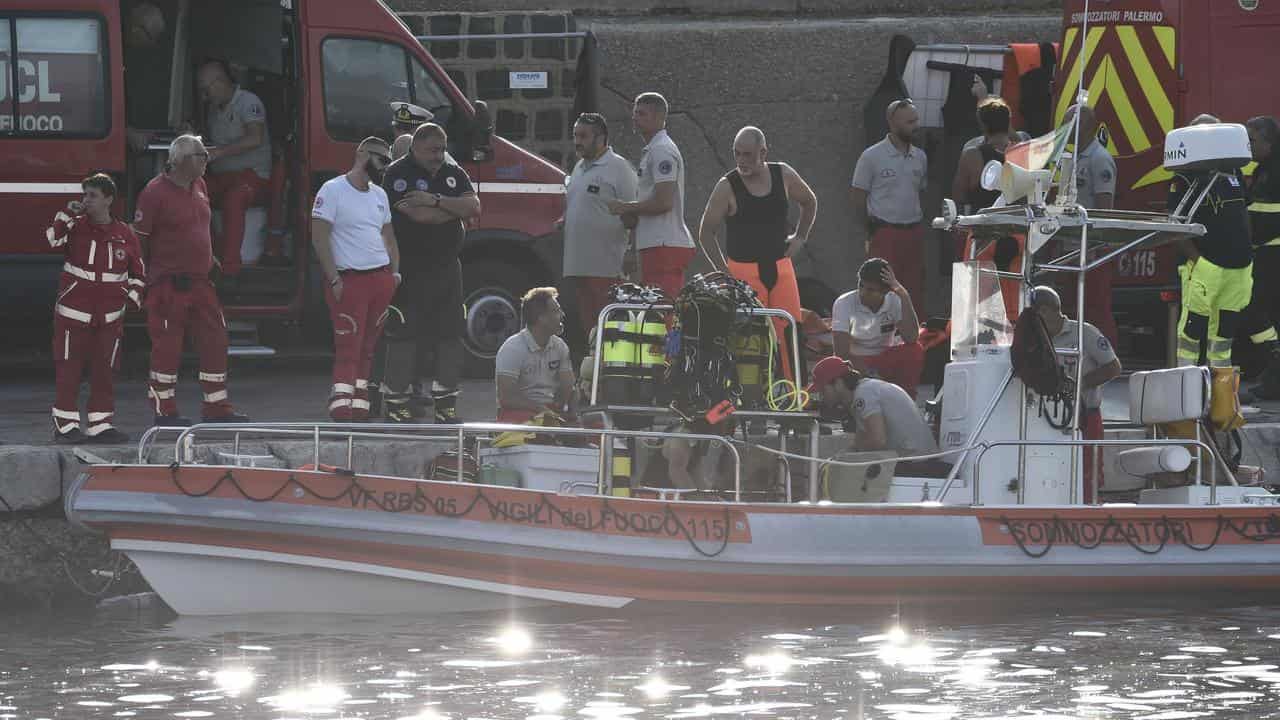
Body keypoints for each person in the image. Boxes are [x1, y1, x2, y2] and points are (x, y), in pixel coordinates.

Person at [134, 135, 248, 425]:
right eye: (202, 155)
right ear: (182, 160)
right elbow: (140, 240)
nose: (208, 159)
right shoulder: (154, 192)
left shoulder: (199, 185)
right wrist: (145, 279)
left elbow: (200, 227)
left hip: (200, 282)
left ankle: (216, 406)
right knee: (167, 347)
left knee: (215, 340)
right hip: (168, 285)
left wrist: (210, 257)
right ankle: (165, 409)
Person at [696, 125, 817, 381]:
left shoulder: (783, 174)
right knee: (749, 338)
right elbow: (706, 232)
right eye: (737, 153)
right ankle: (751, 399)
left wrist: (801, 237)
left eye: (748, 154)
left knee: (790, 333)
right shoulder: (727, 186)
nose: (741, 161)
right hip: (743, 271)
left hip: (780, 267)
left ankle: (795, 398)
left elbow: (809, 201)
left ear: (763, 152)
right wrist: (724, 272)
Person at [378, 123, 480, 423]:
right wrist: (454, 210)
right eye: (432, 150)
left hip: (448, 268)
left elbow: (474, 206)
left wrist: (436, 201)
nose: (439, 156)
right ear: (416, 147)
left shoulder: (452, 171)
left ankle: (446, 406)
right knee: (405, 335)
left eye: (442, 149)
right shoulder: (398, 173)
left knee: (450, 336)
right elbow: (416, 215)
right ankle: (397, 404)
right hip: (411, 269)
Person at [46, 174, 146, 443]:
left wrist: (130, 299)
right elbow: (52, 239)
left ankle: (100, 425)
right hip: (73, 312)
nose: (85, 200)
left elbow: (138, 273)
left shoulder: (125, 233)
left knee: (105, 370)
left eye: (92, 195)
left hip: (110, 316)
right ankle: (65, 426)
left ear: (109, 200)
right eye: (84, 195)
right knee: (69, 368)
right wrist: (67, 213)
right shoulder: (74, 226)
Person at [311, 137, 401, 421]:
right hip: (350, 280)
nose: (385, 166)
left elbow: (388, 236)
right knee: (348, 345)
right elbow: (319, 236)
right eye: (381, 159)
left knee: (368, 347)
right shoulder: (333, 190)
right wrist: (334, 279)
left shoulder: (380, 195)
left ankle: (360, 403)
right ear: (361, 154)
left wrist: (395, 274)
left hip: (380, 280)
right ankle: (341, 403)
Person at [1170, 114, 1255, 372]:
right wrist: (1198, 261)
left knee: (1224, 337)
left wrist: (1248, 250)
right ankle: (1187, 390)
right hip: (1205, 266)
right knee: (1192, 332)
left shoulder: (1233, 171)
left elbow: (1243, 212)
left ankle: (1220, 398)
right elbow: (1175, 227)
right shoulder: (1184, 177)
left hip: (1237, 267)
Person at [1030, 286, 1121, 503]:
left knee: (1087, 477)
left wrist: (1077, 385)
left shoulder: (1085, 333)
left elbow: (1114, 367)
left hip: (1085, 417)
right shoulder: (1034, 338)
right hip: (1046, 420)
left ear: (1044, 311)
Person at [197, 59, 286, 276]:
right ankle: (209, 258)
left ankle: (230, 269)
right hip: (223, 176)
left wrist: (220, 152)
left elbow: (255, 138)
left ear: (219, 83)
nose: (205, 96)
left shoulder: (248, 102)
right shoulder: (213, 109)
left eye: (206, 90)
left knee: (234, 198)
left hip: (253, 177)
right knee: (194, 193)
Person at [607, 92, 696, 299]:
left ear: (658, 118)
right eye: (635, 113)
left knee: (663, 309)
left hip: (664, 244)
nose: (635, 118)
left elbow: (664, 202)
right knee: (655, 307)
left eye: (642, 114)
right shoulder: (653, 150)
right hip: (656, 243)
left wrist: (625, 207)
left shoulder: (662, 151)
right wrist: (632, 245)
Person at [850, 98, 928, 317]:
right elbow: (857, 197)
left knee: (914, 289)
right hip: (884, 233)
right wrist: (871, 229)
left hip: (913, 233)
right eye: (909, 122)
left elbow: (920, 191)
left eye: (916, 120)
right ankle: (877, 337)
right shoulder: (871, 156)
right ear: (893, 124)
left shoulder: (920, 157)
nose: (916, 126)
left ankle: (915, 341)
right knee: (880, 290)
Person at [563, 113, 639, 335]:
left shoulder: (620, 168)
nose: (577, 141)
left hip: (606, 265)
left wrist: (631, 251)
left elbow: (635, 213)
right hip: (578, 263)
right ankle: (593, 365)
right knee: (590, 328)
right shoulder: (578, 168)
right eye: (575, 135)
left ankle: (609, 367)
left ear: (601, 138)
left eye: (583, 136)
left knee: (611, 324)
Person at [1054, 104, 1119, 346]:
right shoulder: (1071, 159)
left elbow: (1104, 209)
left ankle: (1105, 356)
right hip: (1070, 247)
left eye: (1068, 122)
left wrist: (1096, 246)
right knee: (1071, 307)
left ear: (1084, 126)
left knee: (1096, 309)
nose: (1063, 128)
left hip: (1091, 249)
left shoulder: (1099, 159)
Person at [807, 356, 937, 456]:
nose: (821, 396)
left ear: (839, 383)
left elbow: (878, 441)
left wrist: (848, 455)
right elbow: (859, 441)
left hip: (916, 461)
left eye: (823, 390)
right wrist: (844, 454)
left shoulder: (863, 395)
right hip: (916, 457)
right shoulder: (862, 392)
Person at [831, 258, 923, 398]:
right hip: (856, 362)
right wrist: (872, 374)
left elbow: (912, 338)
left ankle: (907, 398)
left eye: (870, 290)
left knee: (915, 350)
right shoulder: (843, 303)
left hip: (885, 358)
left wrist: (903, 294)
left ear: (886, 291)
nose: (862, 293)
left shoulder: (894, 299)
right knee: (839, 366)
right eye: (861, 285)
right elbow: (841, 355)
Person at [1241, 115, 1280, 399]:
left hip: (1274, 253)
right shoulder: (1263, 168)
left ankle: (1273, 375)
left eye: (1252, 140)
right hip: (1264, 252)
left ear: (1269, 141)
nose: (1248, 145)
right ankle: (1271, 373)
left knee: (1261, 311)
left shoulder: (1275, 170)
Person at [494, 287, 576, 423]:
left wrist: (568, 409)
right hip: (517, 413)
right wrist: (540, 409)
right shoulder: (512, 348)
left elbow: (568, 386)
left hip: (548, 410)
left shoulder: (560, 346)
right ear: (541, 318)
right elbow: (506, 398)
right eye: (556, 311)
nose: (562, 315)